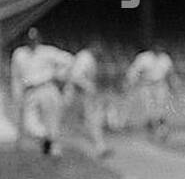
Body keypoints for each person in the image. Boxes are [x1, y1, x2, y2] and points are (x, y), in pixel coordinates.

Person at [10, 26, 73, 157]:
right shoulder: (19, 54)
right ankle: (46, 138)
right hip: (30, 91)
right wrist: (17, 95)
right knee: (30, 124)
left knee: (52, 121)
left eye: (34, 39)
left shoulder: (47, 51)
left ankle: (54, 151)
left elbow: (69, 60)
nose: (32, 42)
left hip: (47, 88)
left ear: (39, 39)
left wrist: (59, 75)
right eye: (29, 39)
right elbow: (15, 77)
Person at [65, 40, 113, 157]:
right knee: (71, 123)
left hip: (80, 95)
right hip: (76, 94)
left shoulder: (89, 58)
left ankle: (100, 148)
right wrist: (89, 88)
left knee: (90, 122)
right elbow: (76, 78)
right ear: (93, 47)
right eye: (98, 48)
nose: (100, 51)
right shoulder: (85, 58)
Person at [125, 42, 175, 140]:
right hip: (146, 85)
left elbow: (170, 73)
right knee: (149, 109)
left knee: (161, 108)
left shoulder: (165, 58)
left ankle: (162, 131)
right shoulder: (143, 57)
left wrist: (173, 86)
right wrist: (130, 83)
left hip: (160, 85)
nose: (159, 50)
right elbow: (133, 71)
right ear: (152, 48)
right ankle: (153, 131)